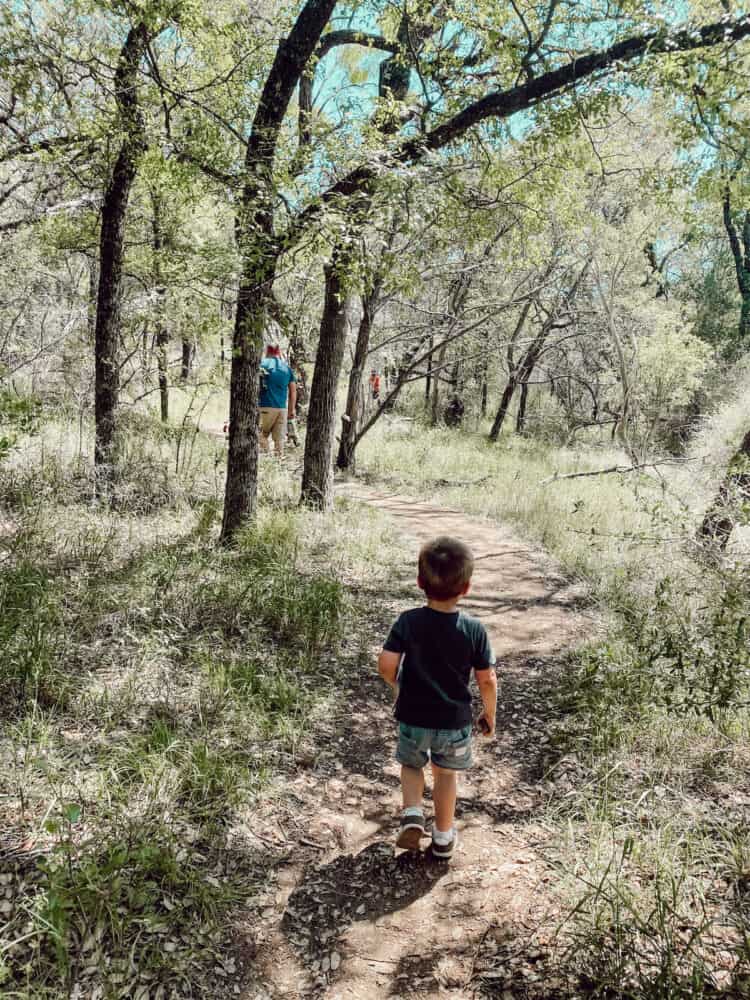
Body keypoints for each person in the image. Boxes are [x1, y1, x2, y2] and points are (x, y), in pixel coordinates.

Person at [377, 536, 497, 860]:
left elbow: (386, 664)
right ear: (467, 587)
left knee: (412, 766)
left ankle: (413, 814)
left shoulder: (408, 621)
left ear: (419, 582)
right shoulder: (474, 629)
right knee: (445, 774)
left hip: (413, 716)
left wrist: (397, 685)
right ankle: (443, 838)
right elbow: (486, 680)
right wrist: (489, 715)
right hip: (453, 722)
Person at [259, 342, 297, 457]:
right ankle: (277, 464)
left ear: (267, 351)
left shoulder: (261, 365)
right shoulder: (287, 368)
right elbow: (293, 391)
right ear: (279, 352)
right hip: (282, 410)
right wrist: (291, 410)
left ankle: (266, 458)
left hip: (265, 406)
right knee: (279, 441)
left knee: (260, 435)